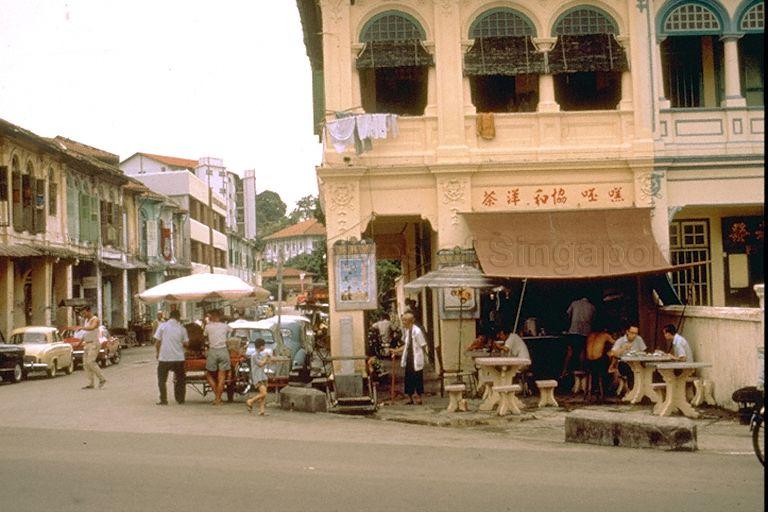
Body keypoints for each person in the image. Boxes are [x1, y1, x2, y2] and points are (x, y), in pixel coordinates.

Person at [392, 312, 428, 405]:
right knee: (409, 378)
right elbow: (406, 345)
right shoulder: (408, 331)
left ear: (411, 321)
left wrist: (422, 356)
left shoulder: (417, 331)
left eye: (405, 321)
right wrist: (396, 351)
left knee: (417, 377)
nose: (403, 322)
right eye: (403, 320)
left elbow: (423, 345)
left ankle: (419, 398)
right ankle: (410, 398)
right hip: (409, 358)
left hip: (415, 358)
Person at [154, 309, 189, 405]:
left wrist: (157, 353)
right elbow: (186, 343)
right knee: (180, 379)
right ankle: (180, 399)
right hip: (178, 358)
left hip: (164, 357)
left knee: (161, 379)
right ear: (178, 317)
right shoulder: (182, 328)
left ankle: (163, 400)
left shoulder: (162, 326)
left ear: (170, 316)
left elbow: (157, 342)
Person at [204, 309, 232, 405]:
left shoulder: (208, 327)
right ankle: (218, 398)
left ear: (212, 316)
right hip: (223, 351)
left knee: (208, 375)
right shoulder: (225, 326)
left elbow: (204, 336)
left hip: (213, 351)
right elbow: (231, 332)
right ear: (219, 316)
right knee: (222, 376)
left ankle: (217, 397)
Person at [609, 324, 646, 390]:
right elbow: (613, 353)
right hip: (624, 364)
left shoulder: (639, 339)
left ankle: (641, 390)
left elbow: (643, 351)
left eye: (636, 333)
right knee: (631, 370)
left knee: (647, 369)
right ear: (627, 332)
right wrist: (623, 348)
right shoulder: (620, 341)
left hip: (637, 363)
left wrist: (640, 354)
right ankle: (632, 391)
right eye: (632, 333)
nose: (634, 335)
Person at [80, 305, 107, 390]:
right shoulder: (86, 320)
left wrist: (82, 327)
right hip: (87, 343)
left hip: (94, 343)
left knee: (90, 362)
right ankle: (90, 383)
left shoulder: (95, 319)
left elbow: (92, 328)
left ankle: (102, 379)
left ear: (89, 311)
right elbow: (85, 333)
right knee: (85, 364)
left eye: (84, 313)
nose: (83, 315)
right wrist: (80, 342)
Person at [584, 328, 614, 401]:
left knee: (596, 369)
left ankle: (595, 389)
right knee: (610, 357)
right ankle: (605, 389)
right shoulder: (605, 335)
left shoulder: (590, 335)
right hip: (597, 363)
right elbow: (616, 343)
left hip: (588, 363)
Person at [245, 338, 271, 415]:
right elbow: (260, 364)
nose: (264, 347)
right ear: (260, 346)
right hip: (257, 376)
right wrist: (266, 358)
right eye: (263, 346)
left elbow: (265, 362)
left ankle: (262, 411)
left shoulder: (260, 355)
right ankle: (250, 401)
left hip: (263, 376)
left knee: (263, 395)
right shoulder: (254, 355)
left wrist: (267, 358)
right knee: (263, 393)